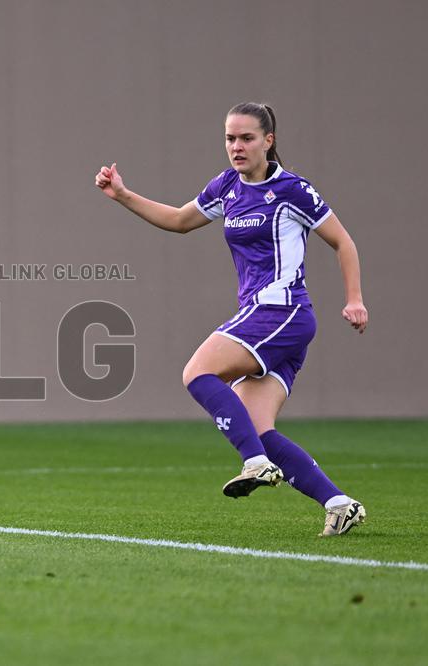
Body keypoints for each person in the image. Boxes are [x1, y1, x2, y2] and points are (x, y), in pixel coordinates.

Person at [94, 102, 367, 537]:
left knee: (197, 372)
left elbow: (343, 241)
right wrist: (124, 195)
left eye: (246, 138)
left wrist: (354, 298)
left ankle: (255, 464)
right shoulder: (227, 188)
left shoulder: (293, 190)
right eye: (229, 138)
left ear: (268, 141)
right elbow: (181, 221)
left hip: (282, 311)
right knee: (259, 427)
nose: (236, 147)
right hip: (265, 317)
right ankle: (339, 503)